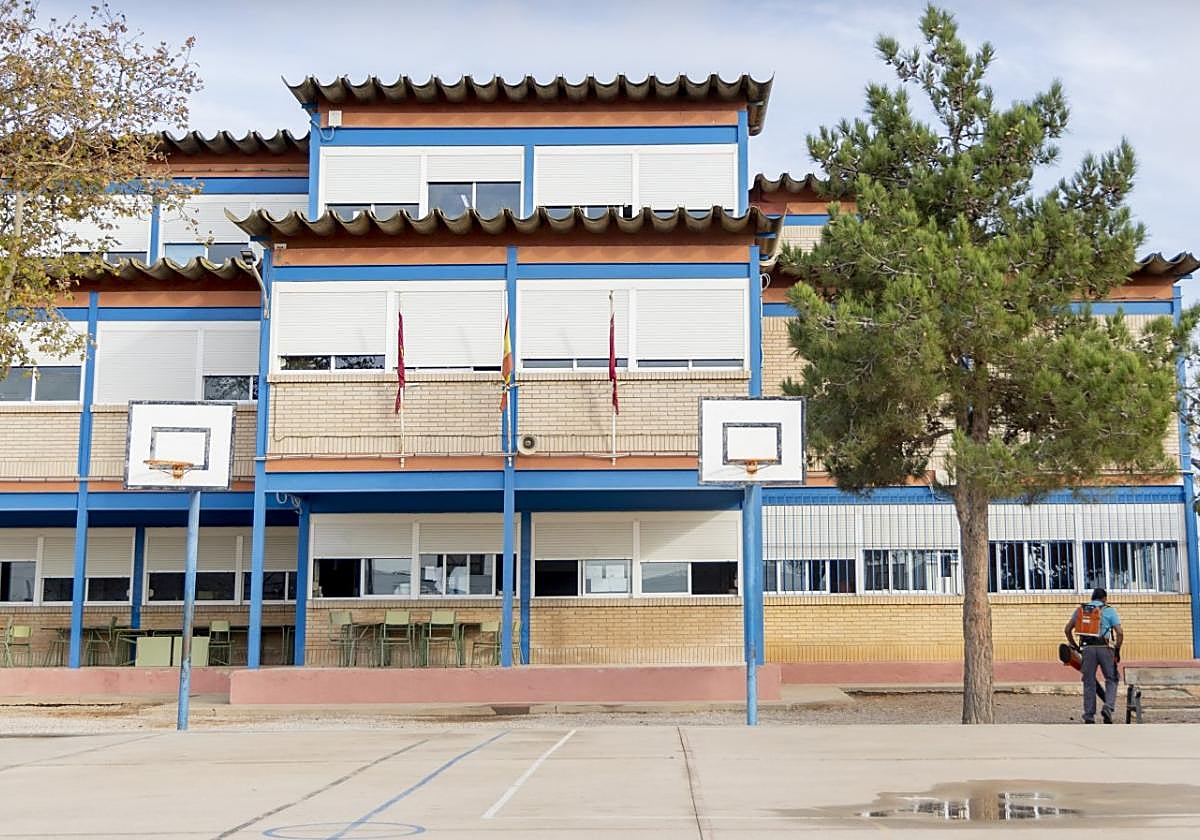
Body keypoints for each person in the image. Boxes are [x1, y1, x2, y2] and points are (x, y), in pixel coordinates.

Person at [1064, 587, 1123, 723]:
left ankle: (1089, 716)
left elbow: (1067, 629)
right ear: (1104, 598)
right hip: (1105, 648)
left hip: (1087, 649)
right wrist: (1117, 649)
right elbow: (1119, 633)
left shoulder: (1082, 610)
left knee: (1089, 681)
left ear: (1092, 598)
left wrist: (1075, 646)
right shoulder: (1109, 610)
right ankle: (1108, 707)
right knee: (1112, 678)